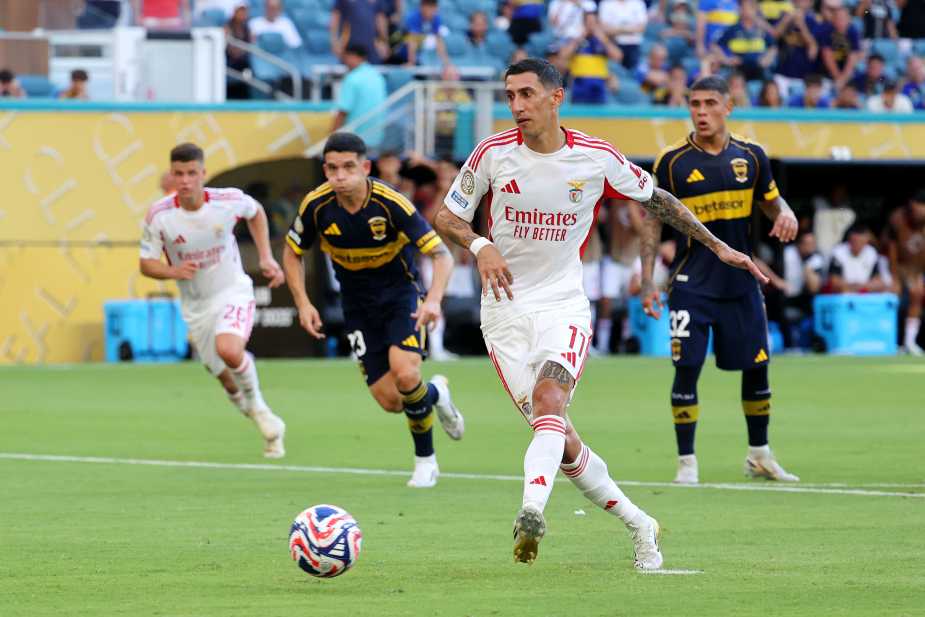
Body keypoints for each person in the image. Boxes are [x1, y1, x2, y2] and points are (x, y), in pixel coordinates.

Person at [433, 58, 767, 569]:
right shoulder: (492, 154)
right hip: (502, 314)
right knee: (561, 439)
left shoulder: (595, 157)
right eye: (510, 97)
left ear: (555, 97)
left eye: (526, 95)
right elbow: (446, 215)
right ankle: (640, 523)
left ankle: (530, 511)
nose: (517, 106)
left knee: (550, 401)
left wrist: (718, 246)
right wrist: (480, 245)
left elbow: (658, 200)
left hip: (563, 305)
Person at [640, 75, 801, 486]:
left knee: (757, 369)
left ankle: (759, 455)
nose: (701, 112)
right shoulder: (672, 162)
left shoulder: (752, 155)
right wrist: (647, 281)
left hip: (742, 284)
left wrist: (785, 212)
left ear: (728, 107)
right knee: (687, 367)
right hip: (692, 284)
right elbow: (652, 222)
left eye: (710, 103)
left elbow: (770, 200)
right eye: (694, 104)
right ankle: (687, 463)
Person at [283, 132, 464, 488]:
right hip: (357, 307)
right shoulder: (317, 206)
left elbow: (441, 255)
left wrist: (433, 299)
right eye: (332, 168)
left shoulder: (390, 202)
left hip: (401, 297)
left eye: (348, 167)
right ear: (325, 170)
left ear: (365, 167)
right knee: (392, 401)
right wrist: (303, 303)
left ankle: (425, 462)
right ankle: (437, 394)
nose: (340, 175)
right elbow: (292, 252)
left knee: (406, 374)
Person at [139, 143, 287, 458]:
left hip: (232, 289)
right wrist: (173, 271)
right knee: (226, 380)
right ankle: (265, 426)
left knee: (230, 350)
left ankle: (260, 407)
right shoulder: (159, 216)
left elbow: (256, 212)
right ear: (171, 176)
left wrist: (266, 257)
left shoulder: (227, 201)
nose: (186, 180)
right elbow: (146, 264)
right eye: (179, 174)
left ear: (203, 174)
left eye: (192, 173)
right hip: (196, 306)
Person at [884, 192, 925, 354]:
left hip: (920, 271)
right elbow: (892, 255)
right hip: (900, 268)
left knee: (917, 289)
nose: (915, 213)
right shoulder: (898, 219)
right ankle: (904, 341)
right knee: (914, 291)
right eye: (913, 209)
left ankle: (909, 341)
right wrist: (896, 278)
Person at [331, 45, 388, 153]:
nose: (343, 61)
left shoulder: (352, 78)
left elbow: (343, 111)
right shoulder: (377, 76)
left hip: (355, 140)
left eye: (345, 57)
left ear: (354, 56)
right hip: (377, 137)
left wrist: (332, 138)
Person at [711, 0, 777, 82]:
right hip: (737, 71)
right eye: (745, 7)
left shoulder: (761, 29)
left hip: (759, 70)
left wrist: (767, 59)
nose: (747, 10)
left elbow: (773, 47)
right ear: (740, 9)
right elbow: (715, 46)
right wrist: (727, 60)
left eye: (751, 7)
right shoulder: (733, 29)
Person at [828, 223, 889, 293]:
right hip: (842, 296)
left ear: (866, 241)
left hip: (864, 294)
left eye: (861, 242)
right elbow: (834, 282)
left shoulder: (871, 253)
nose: (858, 245)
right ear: (849, 240)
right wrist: (856, 287)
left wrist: (861, 286)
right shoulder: (838, 253)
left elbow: (879, 282)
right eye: (855, 241)